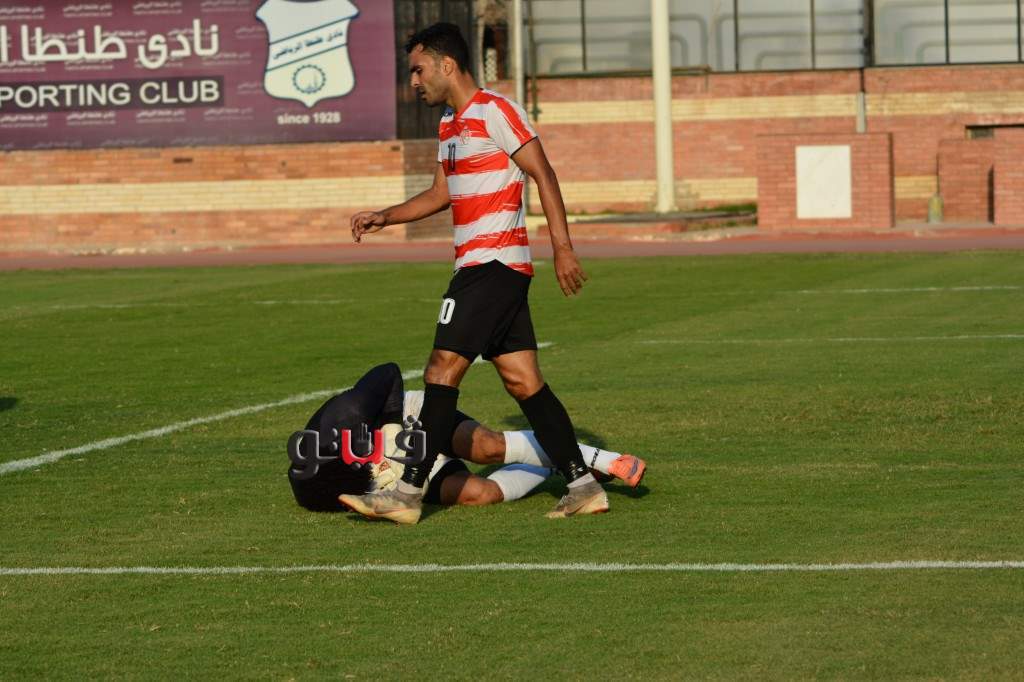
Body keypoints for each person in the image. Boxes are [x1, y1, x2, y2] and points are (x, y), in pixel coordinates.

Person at [347, 23, 602, 524]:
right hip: (486, 268)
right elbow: (439, 194)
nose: (414, 81)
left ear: (447, 65)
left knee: (441, 368)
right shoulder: (448, 125)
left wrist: (563, 249)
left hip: (493, 266)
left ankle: (406, 493)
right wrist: (386, 216)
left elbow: (543, 173)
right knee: (523, 381)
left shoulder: (495, 111)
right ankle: (583, 485)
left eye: (418, 70)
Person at [288, 363, 647, 520]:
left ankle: (603, 460)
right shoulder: (316, 490)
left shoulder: (344, 417)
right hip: (397, 469)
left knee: (487, 447)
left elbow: (388, 372)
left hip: (414, 418)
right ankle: (556, 464)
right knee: (480, 494)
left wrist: (394, 431)